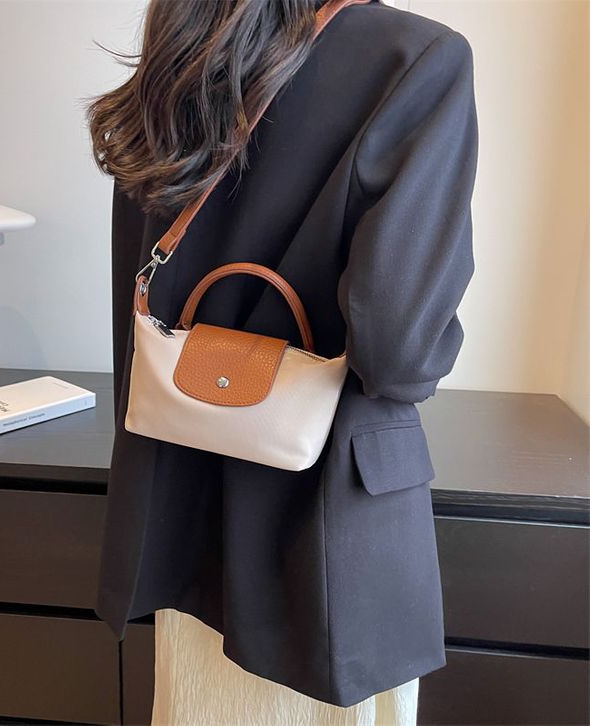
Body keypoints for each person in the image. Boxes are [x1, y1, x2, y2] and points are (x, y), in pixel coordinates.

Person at [85, 0, 479, 722]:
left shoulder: (184, 48)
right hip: (328, 542)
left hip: (182, 514)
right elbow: (399, 354)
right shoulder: (416, 57)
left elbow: (138, 300)